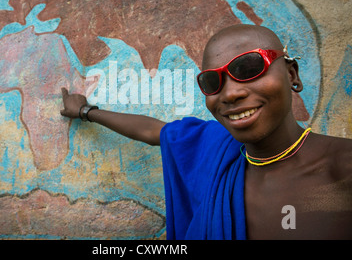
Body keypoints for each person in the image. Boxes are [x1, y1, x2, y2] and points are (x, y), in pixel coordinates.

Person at [60, 24, 352, 239]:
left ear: (291, 75)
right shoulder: (212, 148)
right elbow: (154, 131)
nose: (230, 94)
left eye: (249, 67)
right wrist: (85, 112)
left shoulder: (343, 170)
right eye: (213, 82)